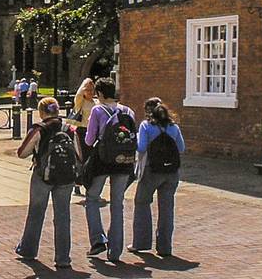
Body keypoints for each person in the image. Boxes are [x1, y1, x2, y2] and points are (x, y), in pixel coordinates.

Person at [14, 97, 77, 269]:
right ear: (57, 110)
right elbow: (78, 154)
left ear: (42, 112)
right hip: (66, 177)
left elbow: (22, 152)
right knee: (63, 216)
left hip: (43, 175)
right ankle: (63, 258)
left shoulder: (39, 128)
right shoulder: (69, 129)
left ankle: (28, 250)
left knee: (36, 213)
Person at [83, 77, 136, 263]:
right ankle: (115, 251)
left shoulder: (98, 110)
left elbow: (89, 140)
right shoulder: (128, 111)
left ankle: (97, 240)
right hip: (124, 161)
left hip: (102, 161)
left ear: (100, 93)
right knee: (117, 204)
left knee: (92, 198)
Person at [132, 98, 185, 257]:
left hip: (151, 171)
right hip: (171, 172)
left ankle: (141, 243)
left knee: (142, 203)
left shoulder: (146, 126)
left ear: (148, 111)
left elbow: (141, 147)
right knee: (167, 208)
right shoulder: (174, 126)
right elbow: (181, 148)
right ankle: (165, 247)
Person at [69, 78, 97, 196]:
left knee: (92, 159)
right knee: (82, 158)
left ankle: (89, 183)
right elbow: (78, 94)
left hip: (93, 132)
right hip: (82, 131)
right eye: (88, 90)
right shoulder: (81, 102)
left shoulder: (96, 103)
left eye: (92, 90)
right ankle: (78, 183)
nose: (90, 92)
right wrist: (86, 82)